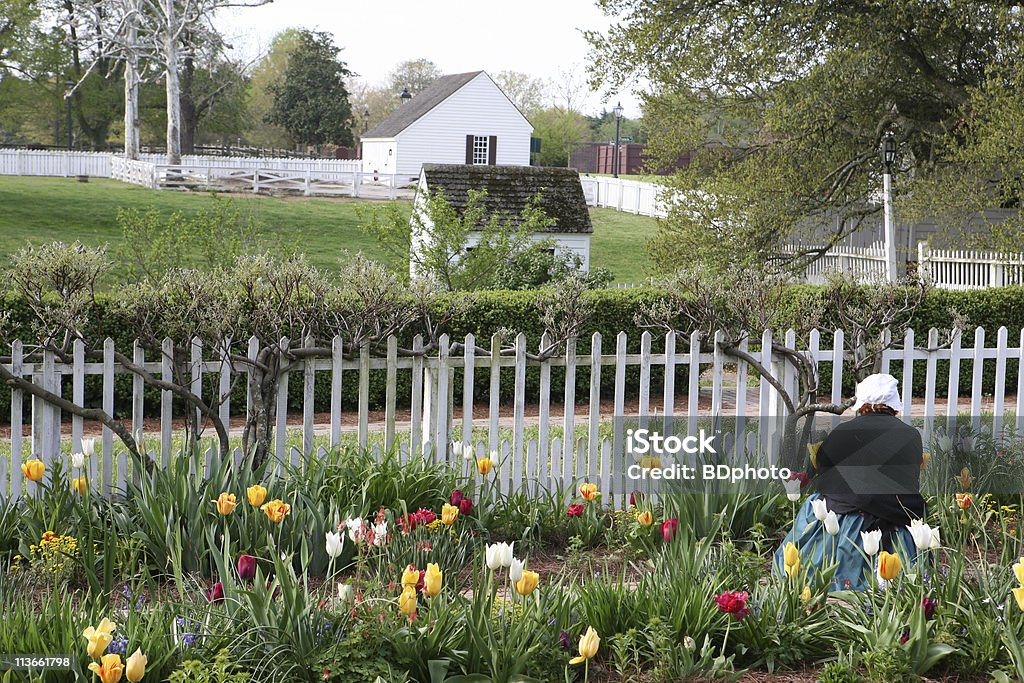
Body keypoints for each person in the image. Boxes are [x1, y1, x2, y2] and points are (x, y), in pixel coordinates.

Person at [773, 373, 926, 591]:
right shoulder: (911, 435)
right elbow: (911, 479)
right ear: (893, 404)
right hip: (895, 515)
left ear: (861, 403)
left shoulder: (842, 432)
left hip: (845, 516)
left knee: (818, 502)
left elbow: (822, 470)